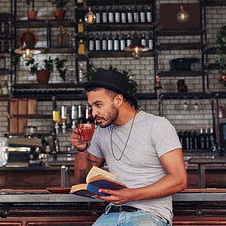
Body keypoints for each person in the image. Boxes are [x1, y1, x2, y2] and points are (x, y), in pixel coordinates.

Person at [70, 69, 187, 226]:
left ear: (118, 100)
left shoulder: (157, 125)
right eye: (91, 106)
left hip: (149, 214)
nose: (93, 113)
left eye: (98, 105)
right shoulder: (100, 133)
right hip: (110, 215)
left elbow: (179, 180)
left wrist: (131, 195)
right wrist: (81, 149)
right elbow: (83, 179)